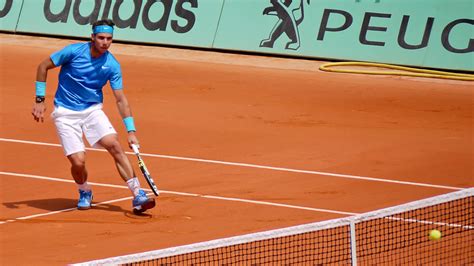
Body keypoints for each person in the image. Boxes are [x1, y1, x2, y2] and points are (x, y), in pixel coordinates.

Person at [31, 19, 155, 214]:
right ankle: (84, 190)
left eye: (109, 38)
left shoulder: (112, 65)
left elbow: (121, 99)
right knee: (78, 162)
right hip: (65, 113)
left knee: (114, 144)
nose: (105, 42)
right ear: (92, 37)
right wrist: (40, 99)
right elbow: (42, 66)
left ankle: (138, 194)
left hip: (92, 111)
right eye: (101, 38)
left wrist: (131, 131)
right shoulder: (73, 52)